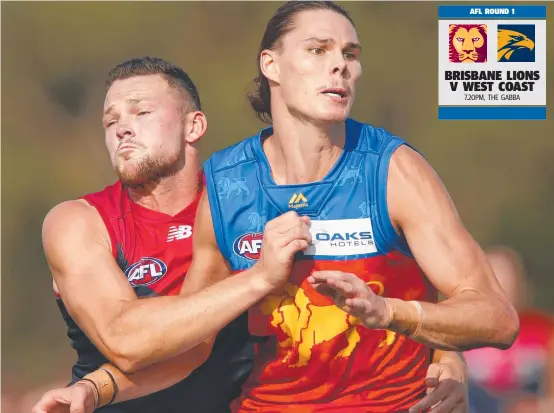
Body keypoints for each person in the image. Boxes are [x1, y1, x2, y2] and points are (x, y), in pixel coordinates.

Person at [33, 0, 519, 411]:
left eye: (350, 54)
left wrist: (408, 325)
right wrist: (94, 387)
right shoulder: (227, 185)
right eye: (318, 50)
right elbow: (190, 345)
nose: (339, 66)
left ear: (194, 126)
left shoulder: (392, 169)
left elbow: (494, 317)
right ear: (271, 65)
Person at [34, 56, 255, 413]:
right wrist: (259, 279)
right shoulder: (78, 221)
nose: (121, 128)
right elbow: (127, 342)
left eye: (141, 113)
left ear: (194, 126)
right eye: (111, 120)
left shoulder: (240, 209)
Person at [465, 246, 554, 413]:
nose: (500, 286)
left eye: (506, 277)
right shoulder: (458, 333)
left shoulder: (545, 330)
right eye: (492, 277)